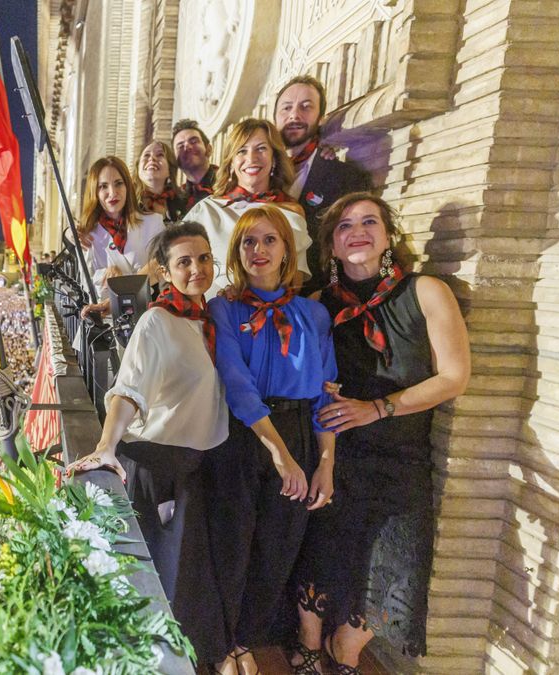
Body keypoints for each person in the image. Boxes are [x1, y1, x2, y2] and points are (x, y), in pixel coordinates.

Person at [290, 193, 470, 674]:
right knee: (322, 553)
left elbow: (454, 376)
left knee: (396, 569)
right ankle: (310, 642)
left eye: (369, 221)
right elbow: (307, 380)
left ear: (389, 235)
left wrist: (379, 407)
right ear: (330, 245)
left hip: (400, 456)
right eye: (345, 226)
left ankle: (344, 649)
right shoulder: (316, 305)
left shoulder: (427, 291)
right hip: (335, 449)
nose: (358, 231)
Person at [65, 222, 228, 659]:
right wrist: (106, 444)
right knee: (158, 581)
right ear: (165, 270)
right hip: (157, 466)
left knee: (185, 580)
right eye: (184, 262)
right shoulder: (158, 320)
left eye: (204, 258)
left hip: (196, 466)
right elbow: (129, 388)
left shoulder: (209, 317)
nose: (196, 268)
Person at [206, 207, 337, 675]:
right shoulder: (223, 308)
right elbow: (237, 383)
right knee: (232, 542)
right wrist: (279, 453)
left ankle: (246, 639)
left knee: (278, 548)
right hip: (246, 437)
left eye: (268, 240)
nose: (258, 250)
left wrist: (325, 463)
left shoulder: (314, 314)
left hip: (299, 434)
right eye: (247, 242)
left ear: (286, 250)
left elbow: (326, 394)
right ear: (237, 253)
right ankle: (223, 646)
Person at [182, 118, 312, 299]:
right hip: (209, 317)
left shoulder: (291, 212)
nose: (251, 158)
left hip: (269, 316)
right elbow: (172, 262)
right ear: (231, 162)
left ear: (274, 157)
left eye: (261, 149)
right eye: (242, 151)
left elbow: (295, 281)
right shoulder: (206, 210)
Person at [274, 75, 374, 292]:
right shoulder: (258, 174)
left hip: (316, 300)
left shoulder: (345, 178)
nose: (294, 115)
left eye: (306, 107)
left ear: (320, 117)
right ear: (275, 118)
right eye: (286, 108)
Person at [77, 156, 167, 290]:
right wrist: (105, 274)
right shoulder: (89, 235)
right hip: (106, 309)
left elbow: (165, 265)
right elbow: (85, 282)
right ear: (94, 192)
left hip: (151, 308)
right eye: (103, 186)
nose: (112, 193)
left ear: (127, 186)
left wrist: (127, 283)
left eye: (118, 183)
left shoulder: (153, 223)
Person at [171, 119, 219, 216]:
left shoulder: (230, 182)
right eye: (180, 146)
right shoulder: (176, 198)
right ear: (174, 159)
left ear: (209, 149)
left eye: (193, 141)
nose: (187, 147)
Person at [133, 140, 185, 222]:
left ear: (170, 169)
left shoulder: (182, 202)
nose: (152, 158)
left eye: (160, 154)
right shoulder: (127, 200)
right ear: (138, 167)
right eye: (146, 155)